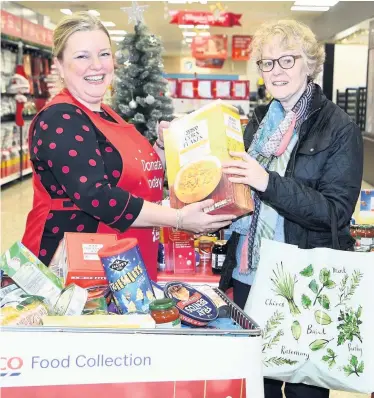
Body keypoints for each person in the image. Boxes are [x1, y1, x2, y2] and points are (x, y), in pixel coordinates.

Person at [22, 12, 236, 281]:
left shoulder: (106, 114)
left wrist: (161, 146)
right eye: (82, 56)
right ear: (60, 65)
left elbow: (130, 174)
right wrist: (178, 219)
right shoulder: (61, 118)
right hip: (71, 263)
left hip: (119, 257)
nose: (97, 65)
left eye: (104, 54)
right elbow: (97, 196)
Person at [219, 20, 363, 398]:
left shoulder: (339, 127)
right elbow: (243, 199)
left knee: (305, 391)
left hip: (304, 285)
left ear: (310, 63)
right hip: (250, 277)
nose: (276, 71)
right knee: (255, 387)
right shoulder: (256, 125)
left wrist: (267, 182)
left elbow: (335, 213)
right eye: (267, 63)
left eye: (287, 60)